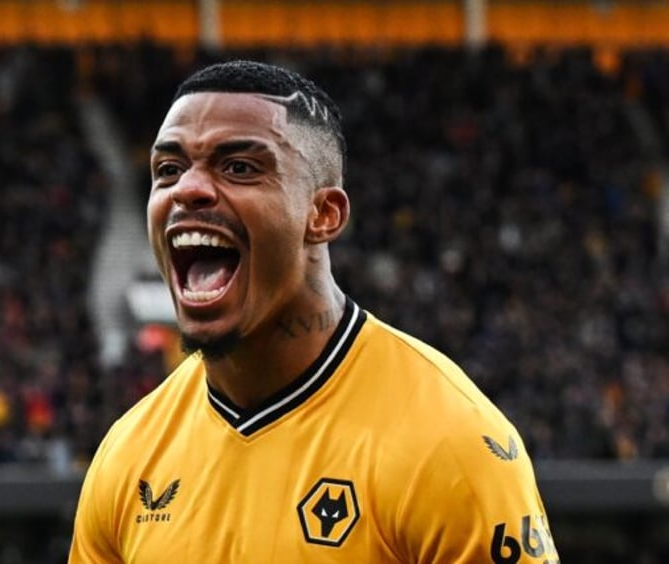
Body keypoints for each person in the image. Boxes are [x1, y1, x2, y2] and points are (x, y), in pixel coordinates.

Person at [69, 59, 558, 563]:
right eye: (168, 169)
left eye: (239, 167)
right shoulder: (127, 458)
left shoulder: (450, 444)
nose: (188, 189)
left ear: (323, 214)